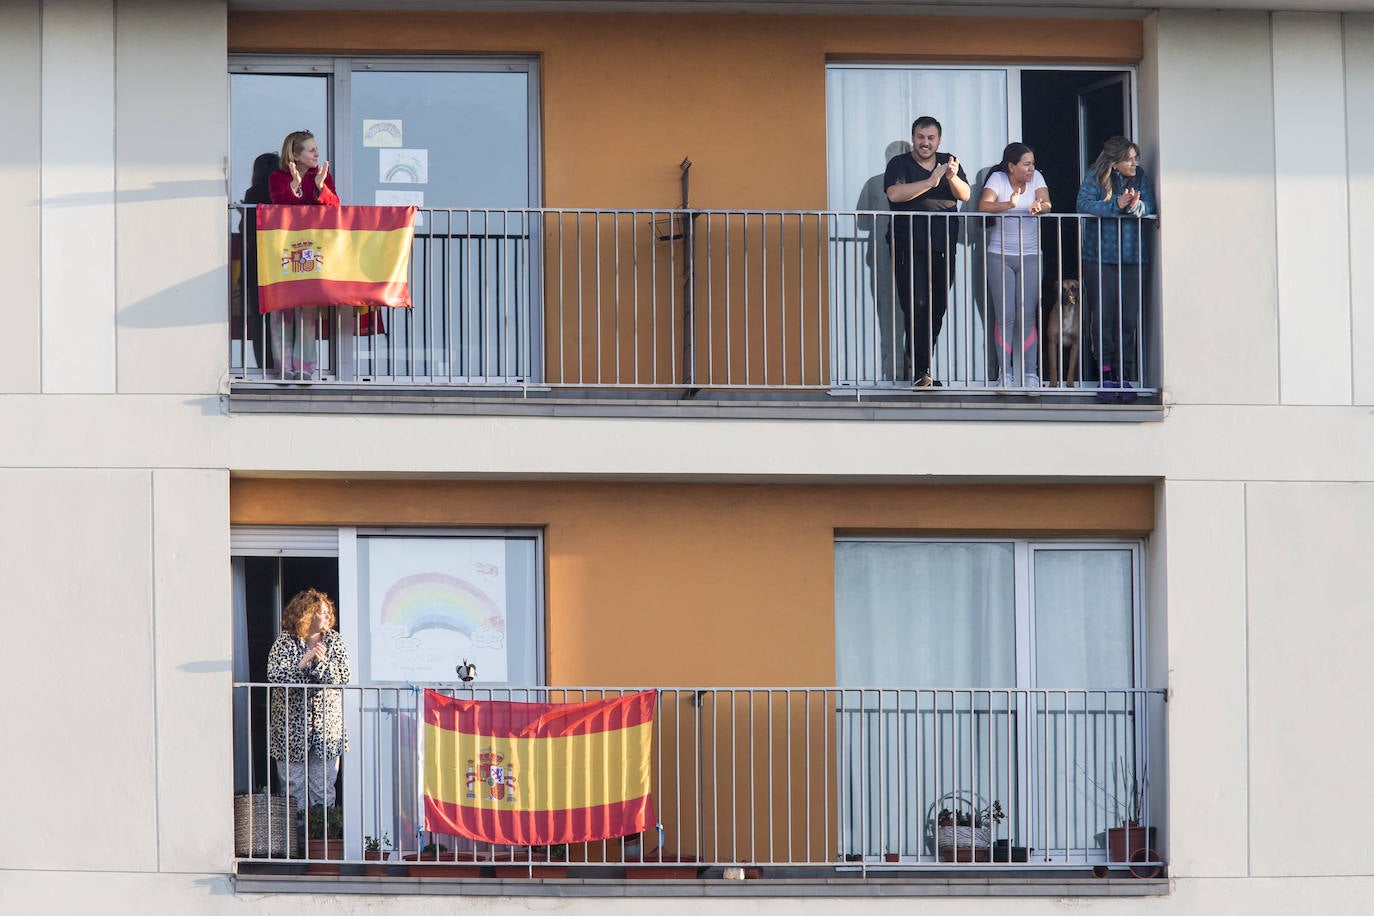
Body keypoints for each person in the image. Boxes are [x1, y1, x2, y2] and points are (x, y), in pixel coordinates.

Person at [884, 116, 971, 387]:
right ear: (913, 138)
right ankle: (922, 369)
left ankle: (920, 360)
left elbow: (965, 195)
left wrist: (951, 177)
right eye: (921, 137)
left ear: (939, 140)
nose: (926, 143)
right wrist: (930, 182)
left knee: (938, 307)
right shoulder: (899, 164)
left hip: (943, 245)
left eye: (931, 138)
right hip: (908, 246)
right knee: (916, 305)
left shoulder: (949, 161)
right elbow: (894, 194)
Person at [1076, 136, 1156, 402]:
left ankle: (1125, 376)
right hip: (1099, 257)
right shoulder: (1096, 176)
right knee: (1103, 317)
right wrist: (1115, 205)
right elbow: (1083, 204)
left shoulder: (1141, 177)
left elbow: (1151, 206)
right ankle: (1105, 376)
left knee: (1128, 318)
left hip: (1133, 257)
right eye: (1130, 159)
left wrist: (1135, 207)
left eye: (1136, 158)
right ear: (1115, 161)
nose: (1135, 163)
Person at [267, 588, 351, 816]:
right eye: (322, 612)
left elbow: (342, 676)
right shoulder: (285, 641)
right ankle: (296, 845)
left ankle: (320, 842)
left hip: (325, 729)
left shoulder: (335, 641)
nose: (327, 617)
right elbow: (275, 675)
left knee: (323, 788)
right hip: (291, 729)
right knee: (293, 789)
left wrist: (321, 663)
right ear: (307, 614)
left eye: (327, 612)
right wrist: (303, 663)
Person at [266, 130, 339, 379]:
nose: (317, 153)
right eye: (311, 150)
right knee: (281, 309)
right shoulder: (278, 177)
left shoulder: (323, 177)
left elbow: (335, 207)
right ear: (295, 155)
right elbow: (280, 204)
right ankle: (285, 367)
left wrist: (320, 187)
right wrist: (295, 186)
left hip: (313, 249)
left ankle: (306, 368)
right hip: (283, 250)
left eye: (316, 149)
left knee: (307, 311)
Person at [979, 142, 1051, 389]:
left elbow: (1047, 204)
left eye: (1032, 163)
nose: (1032, 168)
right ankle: (1005, 374)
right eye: (1026, 164)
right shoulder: (998, 179)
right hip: (999, 255)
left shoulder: (1037, 178)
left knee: (1027, 315)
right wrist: (1009, 204)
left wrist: (1038, 207)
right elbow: (984, 206)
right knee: (1005, 316)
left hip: (1030, 254)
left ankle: (1031, 373)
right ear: (1011, 166)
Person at [230, 152, 279, 373]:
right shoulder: (281, 193)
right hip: (280, 263)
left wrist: (243, 213)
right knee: (282, 317)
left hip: (255, 265)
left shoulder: (253, 193)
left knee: (259, 320)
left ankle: (264, 367)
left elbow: (245, 230)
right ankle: (283, 364)